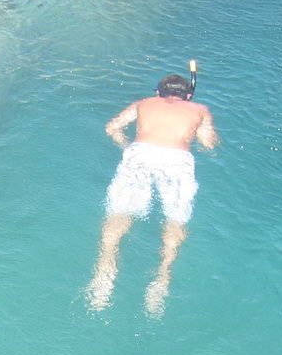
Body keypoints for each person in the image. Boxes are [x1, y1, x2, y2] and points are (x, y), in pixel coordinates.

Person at [86, 73, 219, 317]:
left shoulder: (143, 103)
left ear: (158, 92)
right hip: (177, 160)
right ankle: (162, 278)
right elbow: (209, 145)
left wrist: (127, 146)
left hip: (140, 154)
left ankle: (103, 276)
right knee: (175, 220)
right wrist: (197, 132)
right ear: (188, 95)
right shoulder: (200, 108)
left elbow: (111, 128)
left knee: (120, 214)